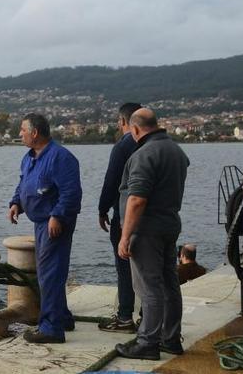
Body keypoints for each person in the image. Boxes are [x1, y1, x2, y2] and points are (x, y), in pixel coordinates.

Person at [115, 108, 189, 360]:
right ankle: (171, 338)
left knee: (148, 287)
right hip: (170, 222)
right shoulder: (176, 151)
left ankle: (148, 342)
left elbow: (136, 199)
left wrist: (125, 236)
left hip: (147, 229)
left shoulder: (145, 154)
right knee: (169, 283)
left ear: (135, 129)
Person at [8, 113, 82, 344]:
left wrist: (57, 216)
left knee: (50, 274)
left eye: (22, 130)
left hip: (53, 224)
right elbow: (23, 183)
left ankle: (51, 329)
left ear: (35, 133)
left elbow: (71, 193)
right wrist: (16, 203)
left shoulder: (61, 158)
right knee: (48, 272)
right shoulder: (29, 158)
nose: (19, 134)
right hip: (40, 222)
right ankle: (62, 317)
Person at [97, 103, 142, 334]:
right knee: (149, 270)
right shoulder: (154, 145)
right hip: (152, 217)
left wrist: (102, 209)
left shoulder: (123, 146)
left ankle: (125, 316)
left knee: (124, 267)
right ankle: (149, 318)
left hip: (124, 216)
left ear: (123, 122)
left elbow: (112, 181)